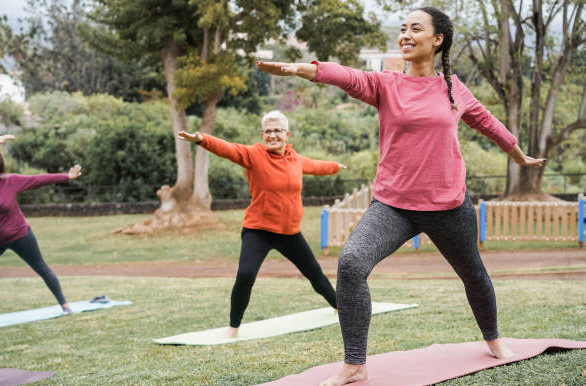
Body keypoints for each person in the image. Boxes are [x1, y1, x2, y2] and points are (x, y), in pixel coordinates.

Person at [257, 6, 546, 386]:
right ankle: (355, 363)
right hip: (393, 205)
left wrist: (517, 153)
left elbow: (486, 121)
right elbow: (348, 76)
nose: (406, 35)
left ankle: (493, 337)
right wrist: (303, 68)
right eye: (403, 29)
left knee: (473, 273)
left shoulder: (454, 88)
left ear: (437, 39)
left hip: (448, 206)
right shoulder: (387, 84)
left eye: (416, 29)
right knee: (351, 263)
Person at [177, 110, 345, 338]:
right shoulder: (253, 155)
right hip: (258, 230)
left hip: (290, 232)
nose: (273, 135)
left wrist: (335, 166)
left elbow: (315, 166)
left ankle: (339, 308)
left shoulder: (295, 159)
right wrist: (201, 139)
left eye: (277, 130)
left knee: (314, 272)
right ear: (262, 134)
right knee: (246, 274)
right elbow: (228, 149)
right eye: (268, 131)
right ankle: (233, 328)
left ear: (287, 134)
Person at [0, 135, 82, 326]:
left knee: (41, 267)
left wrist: (67, 176)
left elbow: (38, 179)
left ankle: (64, 304)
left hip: (20, 236)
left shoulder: (10, 181)